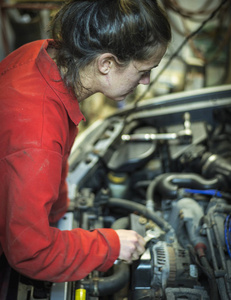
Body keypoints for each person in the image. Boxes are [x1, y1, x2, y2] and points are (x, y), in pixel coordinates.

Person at [0, 0, 171, 283]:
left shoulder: (40, 53)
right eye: (143, 71)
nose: (145, 81)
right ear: (106, 64)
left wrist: (60, 210)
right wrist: (110, 245)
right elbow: (31, 253)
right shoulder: (38, 137)